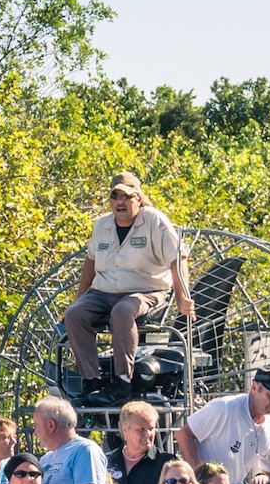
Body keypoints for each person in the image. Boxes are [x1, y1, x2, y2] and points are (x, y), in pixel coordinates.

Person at [61, 171, 196, 406]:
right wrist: (77, 299)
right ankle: (91, 380)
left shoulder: (154, 220)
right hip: (104, 292)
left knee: (122, 312)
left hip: (145, 290)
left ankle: (122, 382)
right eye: (115, 196)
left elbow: (178, 258)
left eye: (126, 196)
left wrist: (183, 297)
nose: (120, 202)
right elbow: (90, 264)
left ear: (139, 199)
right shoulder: (101, 225)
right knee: (75, 315)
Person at [107, 400, 165, 484]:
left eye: (151, 428)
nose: (148, 434)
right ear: (125, 429)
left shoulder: (167, 464)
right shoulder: (106, 462)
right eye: (141, 429)